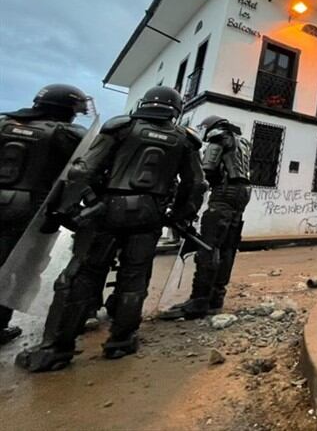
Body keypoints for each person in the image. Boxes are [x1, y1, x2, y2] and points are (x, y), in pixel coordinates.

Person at [16, 86, 205, 371]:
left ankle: (56, 349)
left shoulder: (122, 127)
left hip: (106, 211)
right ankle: (122, 341)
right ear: (176, 109)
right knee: (135, 277)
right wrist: (178, 216)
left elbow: (83, 170)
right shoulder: (184, 140)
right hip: (150, 216)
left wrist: (75, 207)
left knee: (80, 276)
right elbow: (195, 184)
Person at [0, 84, 89, 345]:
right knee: (16, 268)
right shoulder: (66, 133)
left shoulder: (3, 123)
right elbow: (81, 173)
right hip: (29, 210)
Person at [160, 115, 251, 320]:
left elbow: (207, 169)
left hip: (223, 194)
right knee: (228, 245)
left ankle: (199, 300)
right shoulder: (242, 141)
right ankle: (216, 297)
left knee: (208, 245)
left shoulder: (218, 137)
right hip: (242, 193)